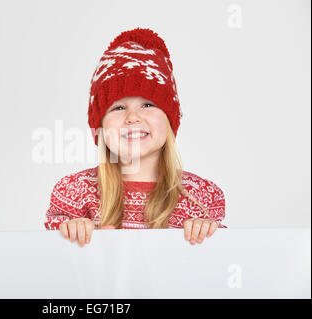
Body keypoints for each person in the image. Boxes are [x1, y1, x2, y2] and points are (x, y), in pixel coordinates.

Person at [44, 27, 226, 247]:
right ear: (100, 126)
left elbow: (217, 261)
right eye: (118, 107)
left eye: (148, 104)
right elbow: (52, 260)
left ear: (170, 120)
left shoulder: (200, 197)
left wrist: (206, 234)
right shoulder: (75, 192)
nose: (132, 117)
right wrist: (72, 233)